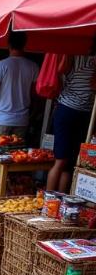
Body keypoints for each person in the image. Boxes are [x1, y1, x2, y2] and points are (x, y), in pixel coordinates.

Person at [47, 49, 96, 192]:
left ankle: (59, 201)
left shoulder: (72, 52)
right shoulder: (75, 53)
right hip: (69, 109)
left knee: (69, 162)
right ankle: (48, 201)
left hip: (81, 111)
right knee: (61, 160)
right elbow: (62, 70)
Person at [0, 31, 38, 137]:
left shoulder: (1, 65)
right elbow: (35, 95)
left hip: (1, 120)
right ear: (24, 45)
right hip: (21, 121)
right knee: (16, 153)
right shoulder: (33, 67)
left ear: (8, 45)